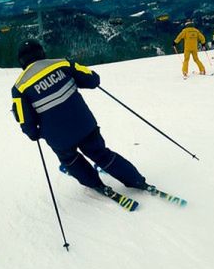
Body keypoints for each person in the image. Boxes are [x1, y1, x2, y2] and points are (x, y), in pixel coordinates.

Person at [10, 40, 150, 196]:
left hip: (58, 137)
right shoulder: (62, 64)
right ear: (42, 52)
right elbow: (92, 80)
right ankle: (136, 180)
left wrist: (34, 134)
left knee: (70, 160)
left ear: (21, 61)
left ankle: (95, 183)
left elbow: (24, 119)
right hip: (85, 124)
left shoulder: (19, 88)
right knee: (101, 154)